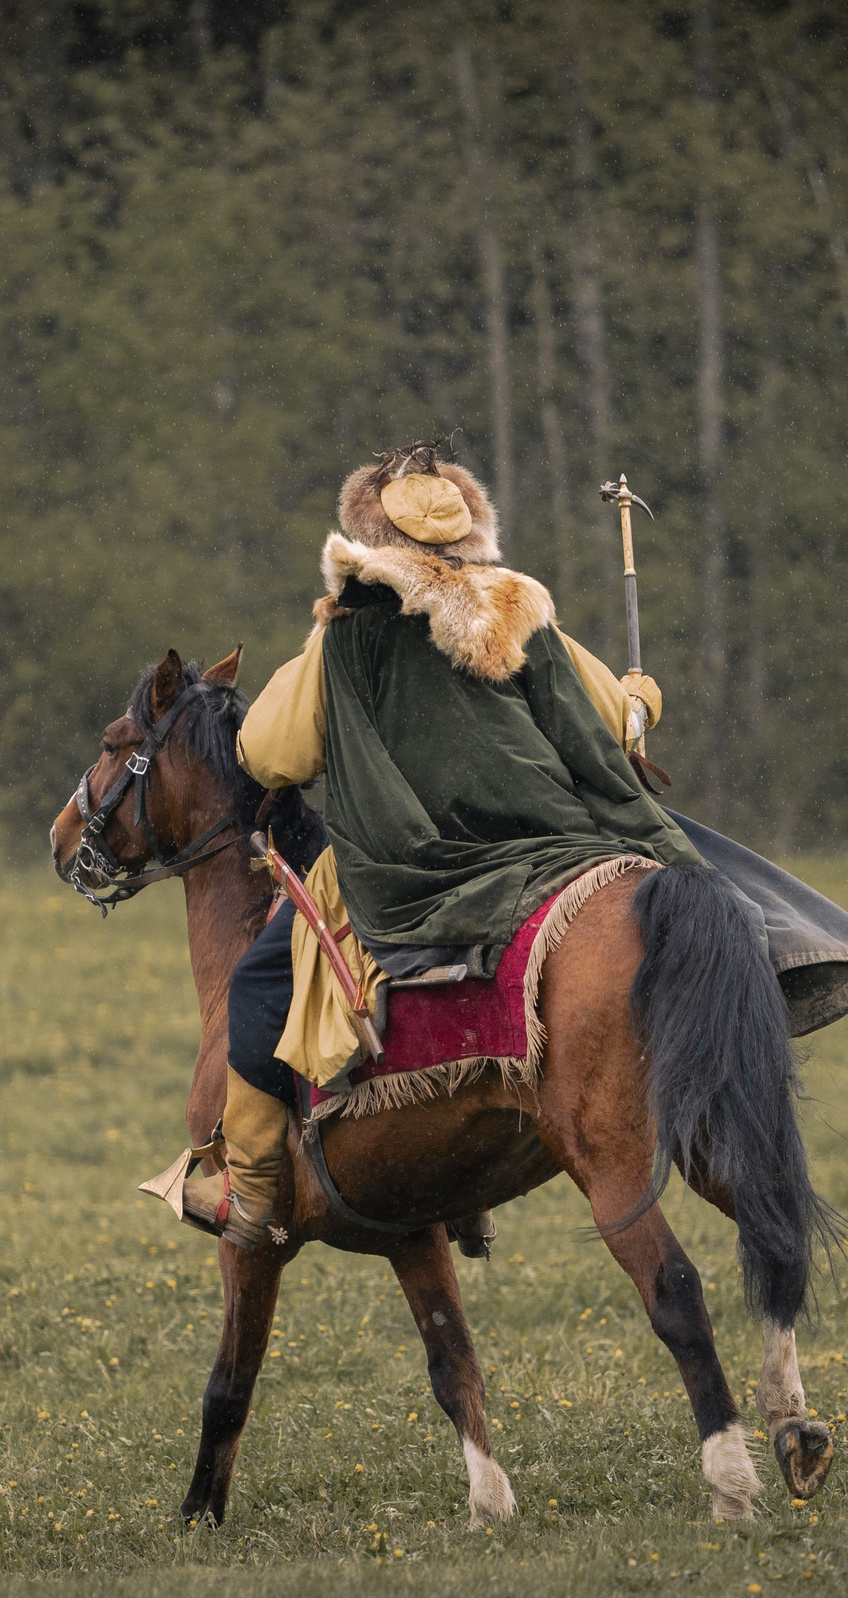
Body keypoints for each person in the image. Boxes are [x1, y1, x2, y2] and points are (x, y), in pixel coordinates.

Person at [213, 442, 704, 1249]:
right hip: (551, 843)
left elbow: (269, 752)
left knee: (259, 985)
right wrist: (640, 698)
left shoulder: (346, 629)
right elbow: (610, 714)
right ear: (470, 529)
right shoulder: (520, 605)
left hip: (409, 859)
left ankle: (256, 1192)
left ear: (372, 535)